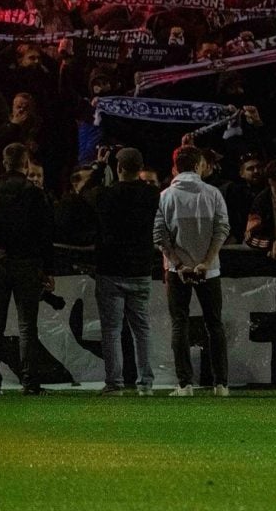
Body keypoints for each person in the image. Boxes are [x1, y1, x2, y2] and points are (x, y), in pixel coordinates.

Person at [153, 145, 230, 397]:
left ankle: (185, 384)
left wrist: (178, 264)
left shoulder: (165, 196)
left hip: (177, 272)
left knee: (180, 324)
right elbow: (222, 229)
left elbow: (160, 236)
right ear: (199, 165)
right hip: (210, 270)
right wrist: (207, 262)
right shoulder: (213, 194)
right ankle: (221, 384)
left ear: (175, 167)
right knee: (214, 325)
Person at [87, 147, 159, 396]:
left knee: (111, 330)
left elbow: (81, 195)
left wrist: (97, 168)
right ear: (140, 168)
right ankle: (146, 381)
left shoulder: (106, 195)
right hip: (140, 269)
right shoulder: (152, 195)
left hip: (110, 269)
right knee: (142, 329)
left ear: (118, 168)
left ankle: (114, 382)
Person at [0, 142, 54, 395]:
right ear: (25, 163)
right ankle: (30, 382)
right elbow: (44, 233)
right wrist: (48, 269)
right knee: (27, 325)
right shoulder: (33, 192)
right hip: (27, 264)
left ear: (5, 161)